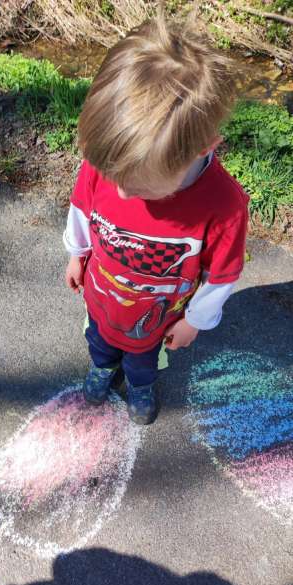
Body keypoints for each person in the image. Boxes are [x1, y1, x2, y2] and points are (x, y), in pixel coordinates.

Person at [63, 9, 249, 424]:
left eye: (141, 186)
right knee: (99, 341)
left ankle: (141, 386)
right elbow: (81, 209)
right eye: (114, 176)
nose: (123, 191)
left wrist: (196, 322)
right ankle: (102, 367)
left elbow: (222, 275)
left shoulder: (222, 206)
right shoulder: (110, 166)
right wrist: (77, 252)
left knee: (143, 359)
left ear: (202, 149)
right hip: (102, 295)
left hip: (157, 317)